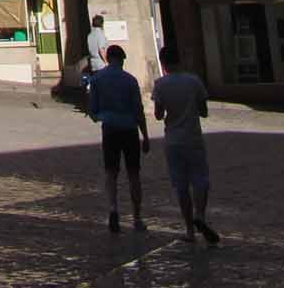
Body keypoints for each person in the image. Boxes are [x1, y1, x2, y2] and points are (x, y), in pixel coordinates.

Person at [152, 43, 219, 245]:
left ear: (163, 63)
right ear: (180, 60)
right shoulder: (193, 81)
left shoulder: (160, 84)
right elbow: (204, 111)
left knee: (180, 185)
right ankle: (200, 215)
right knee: (200, 179)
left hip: (173, 139)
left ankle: (189, 230)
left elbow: (158, 114)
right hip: (193, 137)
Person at [88, 42, 149, 233]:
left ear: (108, 58)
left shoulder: (98, 79)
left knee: (111, 172)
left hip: (110, 129)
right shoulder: (130, 80)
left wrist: (101, 116)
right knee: (133, 174)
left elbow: (92, 110)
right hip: (129, 129)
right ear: (121, 59)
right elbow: (138, 110)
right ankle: (137, 217)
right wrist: (145, 135)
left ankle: (113, 209)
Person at [83, 13, 108, 92]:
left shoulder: (90, 35)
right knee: (104, 85)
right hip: (101, 63)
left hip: (93, 63)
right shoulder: (100, 34)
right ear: (102, 24)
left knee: (97, 84)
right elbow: (101, 49)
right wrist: (106, 61)